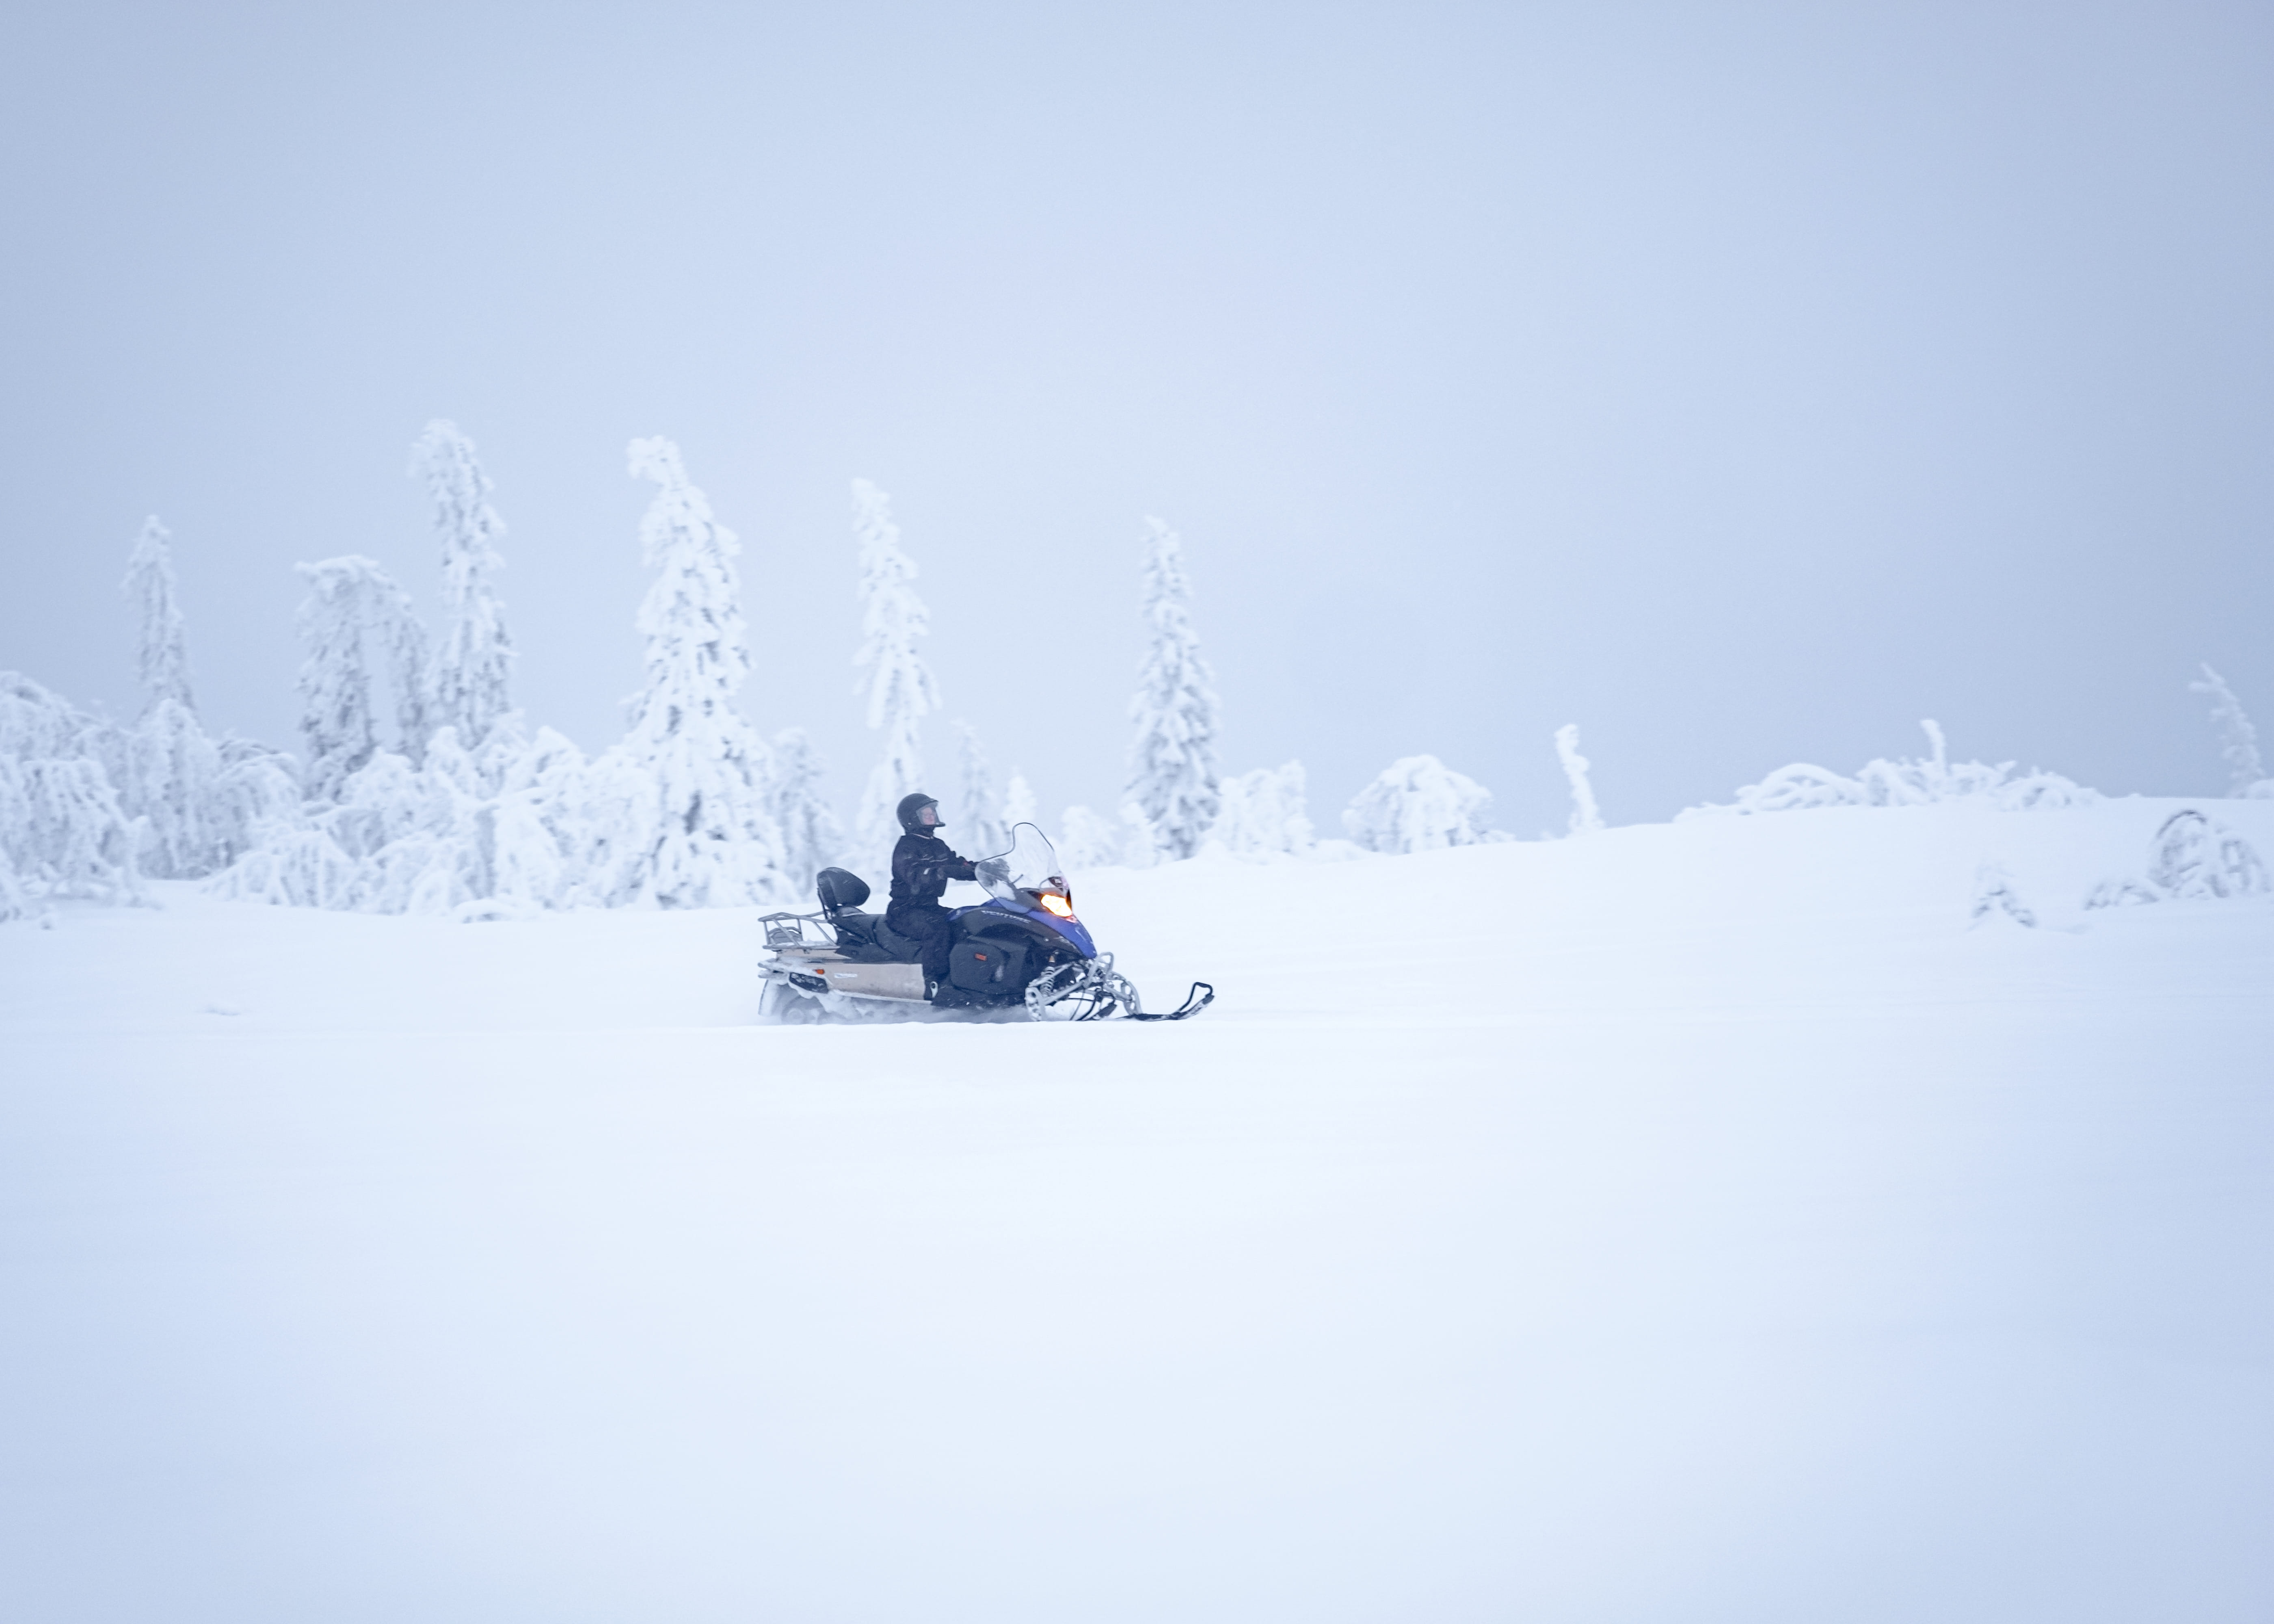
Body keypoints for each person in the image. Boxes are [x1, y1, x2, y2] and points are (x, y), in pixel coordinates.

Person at [886, 792, 977, 994]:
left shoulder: (937, 846)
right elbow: (915, 875)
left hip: (929, 907)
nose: (932, 817)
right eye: (926, 813)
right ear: (912, 818)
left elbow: (957, 863)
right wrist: (943, 871)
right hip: (904, 911)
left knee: (966, 921)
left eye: (932, 812)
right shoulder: (906, 847)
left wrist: (982, 869)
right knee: (936, 929)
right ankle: (935, 983)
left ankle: (966, 980)